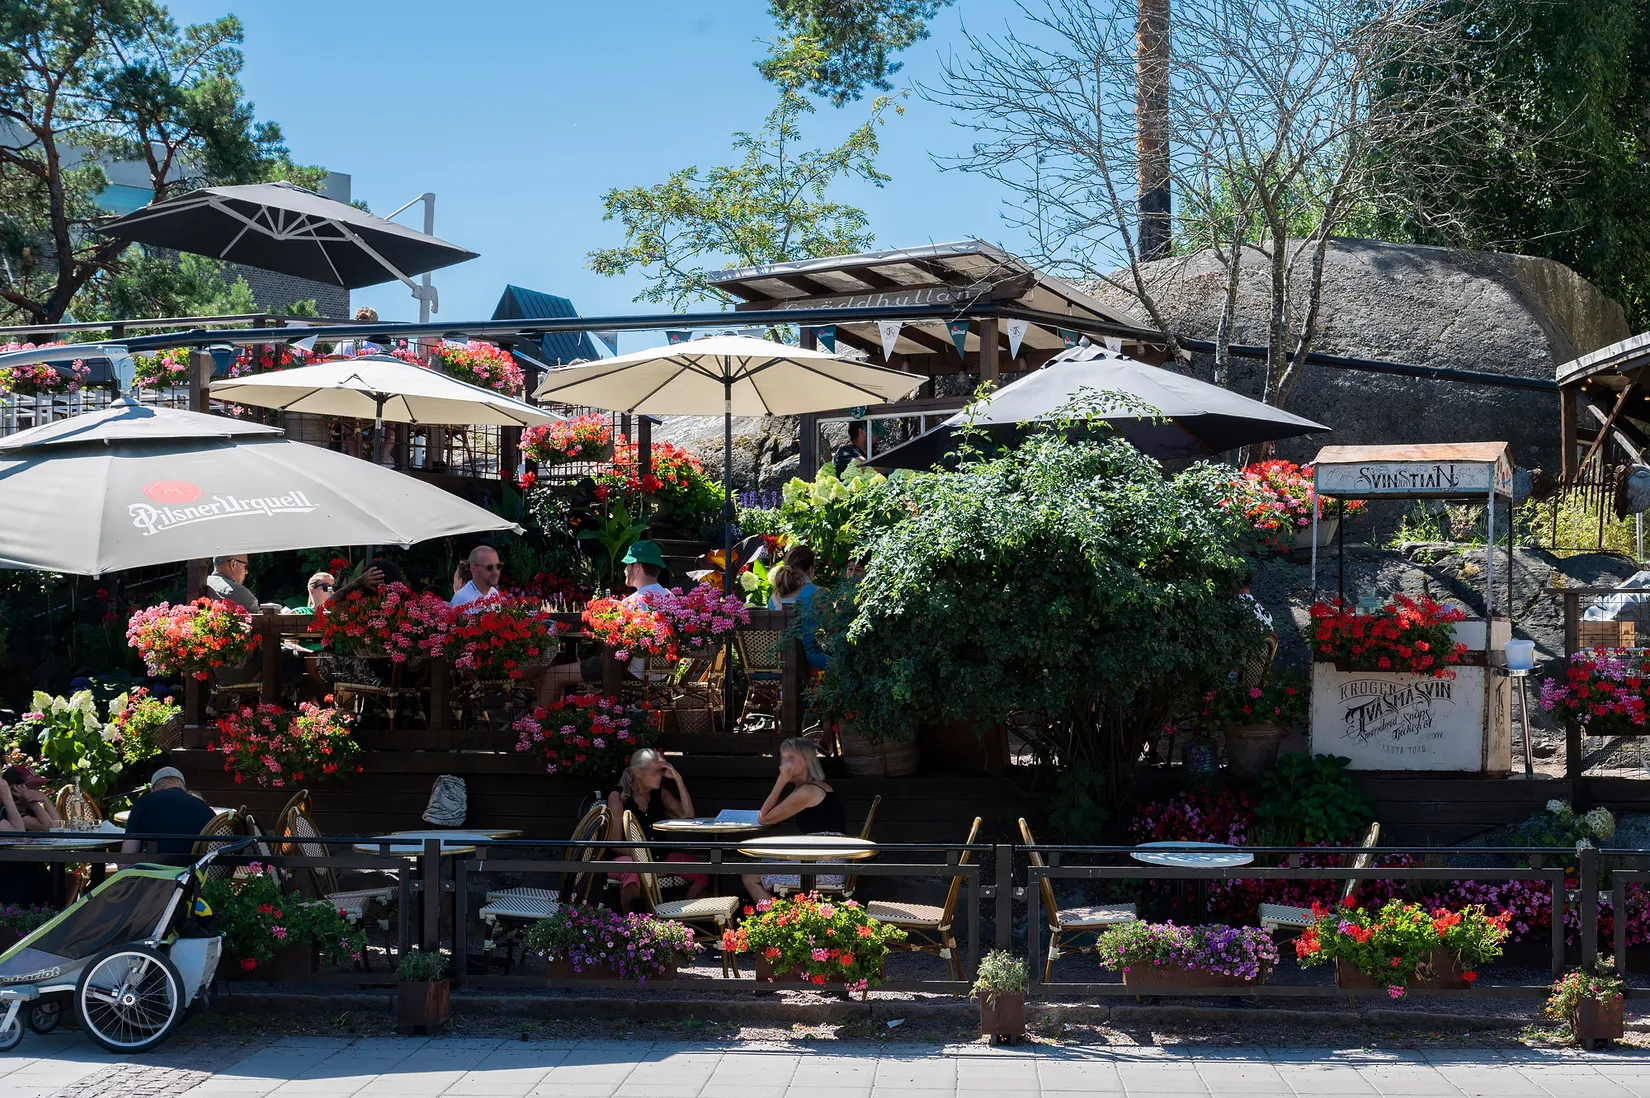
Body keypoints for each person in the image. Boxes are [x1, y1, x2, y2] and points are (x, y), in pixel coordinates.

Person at [539, 541, 670, 706]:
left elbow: (612, 640)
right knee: (579, 665)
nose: (624, 570)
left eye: (627, 565)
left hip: (625, 669)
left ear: (637, 566)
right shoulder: (670, 597)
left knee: (554, 674)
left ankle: (536, 727)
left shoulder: (633, 603)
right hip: (660, 672)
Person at [604, 748, 709, 912]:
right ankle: (629, 926)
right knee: (634, 873)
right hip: (627, 858)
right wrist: (647, 861)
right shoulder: (617, 797)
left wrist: (678, 779)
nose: (659, 776)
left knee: (702, 870)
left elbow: (687, 814)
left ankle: (674, 918)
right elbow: (614, 843)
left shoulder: (658, 794)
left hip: (660, 858)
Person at [742, 738, 846, 903]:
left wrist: (781, 781)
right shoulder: (815, 786)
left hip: (821, 869)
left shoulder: (807, 792)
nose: (785, 764)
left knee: (749, 876)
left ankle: (777, 921)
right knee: (756, 865)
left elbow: (764, 818)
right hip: (822, 862)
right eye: (784, 758)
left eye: (791, 758)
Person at [120, 767, 216, 857]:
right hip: (194, 872)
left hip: (155, 871)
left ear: (152, 790)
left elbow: (127, 857)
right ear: (185, 789)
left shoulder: (143, 803)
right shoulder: (204, 807)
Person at [768, 546, 829, 670]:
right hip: (808, 661)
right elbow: (833, 629)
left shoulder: (773, 598)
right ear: (811, 569)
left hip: (778, 664)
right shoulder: (818, 593)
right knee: (845, 669)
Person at [0, 766, 59, 832]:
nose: (37, 791)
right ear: (14, 789)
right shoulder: (10, 812)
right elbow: (49, 828)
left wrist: (45, 799)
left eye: (37, 787)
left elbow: (59, 825)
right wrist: (32, 803)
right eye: (32, 787)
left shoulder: (28, 808)